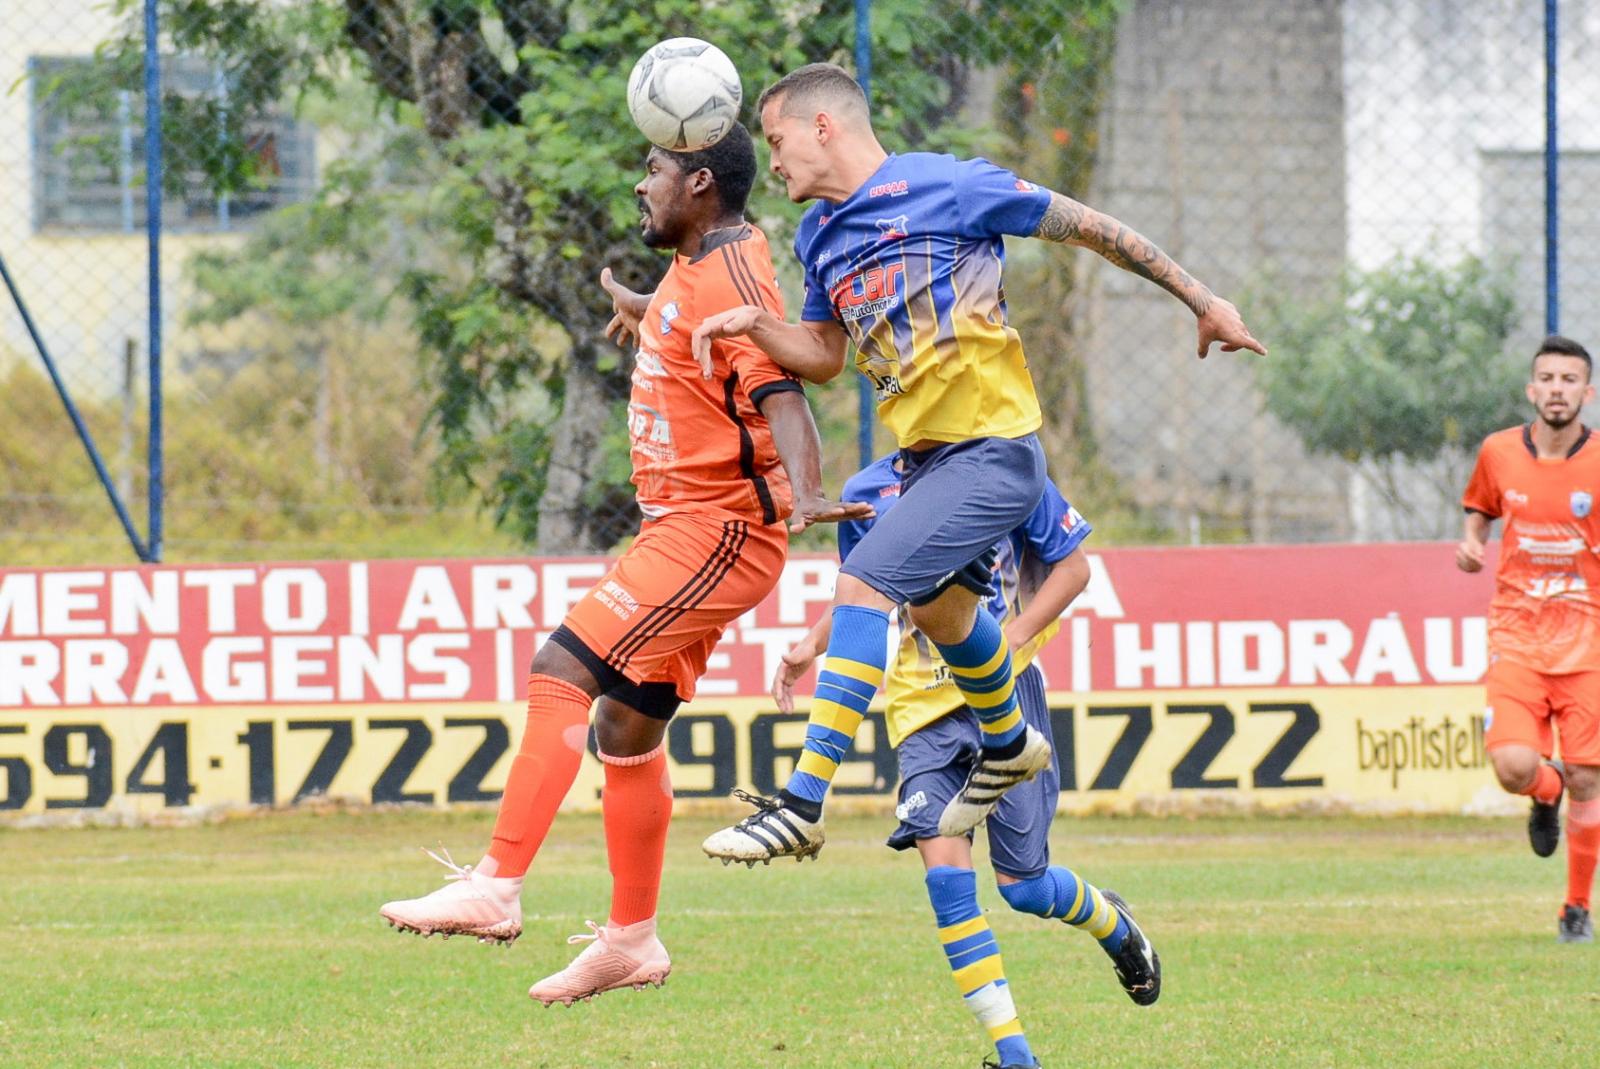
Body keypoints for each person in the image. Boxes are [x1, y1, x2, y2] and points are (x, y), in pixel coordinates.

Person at [699, 62, 1266, 863]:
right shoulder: (818, 235)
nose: (776, 160)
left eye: (779, 139)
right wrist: (757, 323)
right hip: (927, 468)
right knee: (944, 617)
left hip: (996, 456)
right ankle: (1008, 740)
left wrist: (1202, 300)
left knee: (864, 583)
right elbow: (824, 355)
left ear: (824, 127)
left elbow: (1094, 228)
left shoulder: (950, 188)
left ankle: (802, 802)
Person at [378, 122, 872, 1003]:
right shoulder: (707, 264)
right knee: (626, 729)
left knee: (562, 665)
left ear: (700, 185)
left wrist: (806, 487)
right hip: (687, 532)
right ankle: (633, 940)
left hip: (715, 531)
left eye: (655, 167)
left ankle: (497, 883)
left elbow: (780, 390)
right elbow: (712, 334)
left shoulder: (728, 272)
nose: (640, 183)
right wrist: (654, 311)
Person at [771, 455, 1158, 1069]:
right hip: (919, 713)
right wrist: (809, 646)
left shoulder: (1002, 465)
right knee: (947, 883)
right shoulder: (868, 491)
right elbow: (863, 588)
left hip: (1004, 694)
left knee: (1025, 889)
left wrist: (1012, 638)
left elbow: (1073, 568)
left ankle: (1114, 923)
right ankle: (1016, 1057)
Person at [1458, 334, 1600, 945]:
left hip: (1588, 640)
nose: (1558, 390)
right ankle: (1547, 793)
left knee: (1591, 779)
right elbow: (1480, 505)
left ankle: (1575, 908)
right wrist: (1473, 541)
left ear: (1586, 392)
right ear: (1531, 389)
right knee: (1514, 768)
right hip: (1516, 634)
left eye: (1570, 380)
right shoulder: (1497, 451)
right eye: (1548, 379)